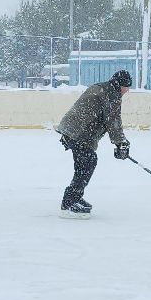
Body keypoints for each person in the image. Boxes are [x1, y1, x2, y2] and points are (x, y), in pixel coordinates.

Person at [54, 69, 132, 217]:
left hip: (73, 130)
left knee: (84, 164)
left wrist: (119, 143)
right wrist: (121, 143)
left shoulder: (103, 88)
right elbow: (113, 120)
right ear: (121, 84)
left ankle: (73, 197)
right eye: (126, 87)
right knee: (88, 162)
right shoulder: (111, 94)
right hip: (78, 133)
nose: (127, 91)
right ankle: (69, 203)